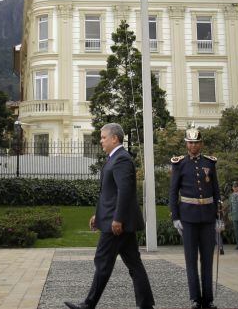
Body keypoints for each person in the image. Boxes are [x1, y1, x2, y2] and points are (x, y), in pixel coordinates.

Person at [66, 123, 154, 309]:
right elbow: (108, 193)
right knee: (134, 264)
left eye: (104, 137)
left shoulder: (121, 159)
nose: (101, 141)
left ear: (115, 138)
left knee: (103, 261)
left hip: (117, 225)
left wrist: (118, 219)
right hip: (115, 221)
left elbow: (125, 191)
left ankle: (88, 305)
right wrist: (97, 216)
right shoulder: (114, 158)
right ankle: (146, 305)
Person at [170, 127, 220, 309]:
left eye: (196, 142)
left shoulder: (210, 163)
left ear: (201, 144)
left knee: (207, 260)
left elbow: (215, 191)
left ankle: (208, 299)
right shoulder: (179, 164)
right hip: (188, 218)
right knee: (191, 260)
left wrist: (218, 215)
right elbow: (173, 192)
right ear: (186, 144)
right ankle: (195, 299)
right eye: (190, 142)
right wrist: (175, 217)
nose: (193, 145)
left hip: (207, 217)